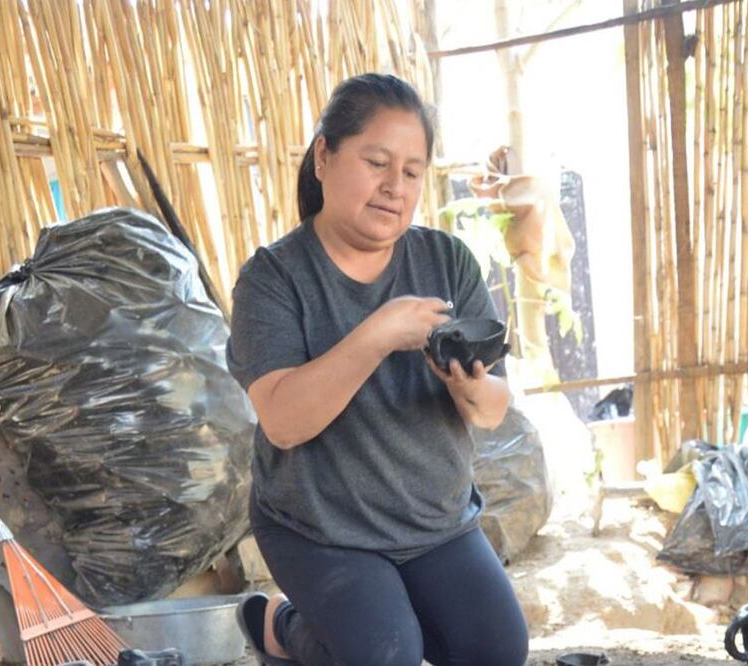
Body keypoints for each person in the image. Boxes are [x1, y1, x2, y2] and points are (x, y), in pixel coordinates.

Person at [226, 73, 529, 666]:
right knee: (383, 655)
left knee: (496, 651)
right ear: (324, 156)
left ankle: (373, 618)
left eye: (412, 172)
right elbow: (284, 422)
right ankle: (284, 628)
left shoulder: (446, 259)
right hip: (320, 528)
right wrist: (379, 333)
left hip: (432, 521)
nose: (395, 187)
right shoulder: (274, 279)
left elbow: (495, 409)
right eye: (377, 162)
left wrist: (471, 389)